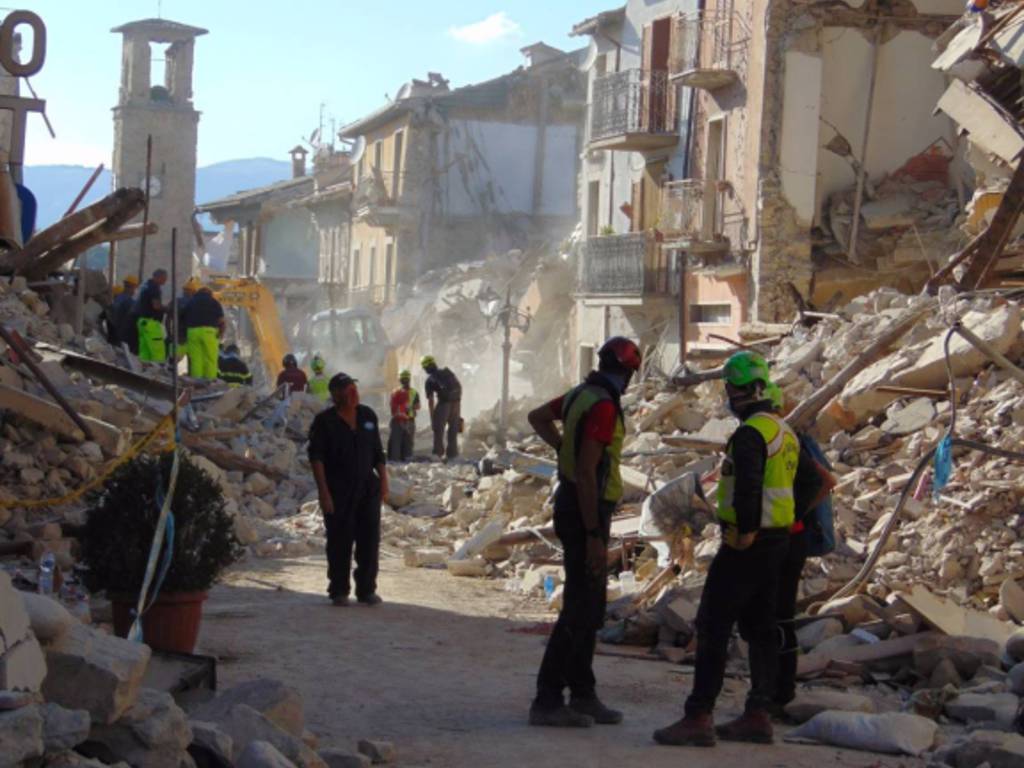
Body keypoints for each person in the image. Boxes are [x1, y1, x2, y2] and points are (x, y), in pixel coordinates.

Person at [654, 351, 799, 748]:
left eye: (732, 391)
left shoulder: (751, 434)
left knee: (714, 625)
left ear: (743, 392)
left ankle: (698, 715)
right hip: (777, 540)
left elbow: (750, 485)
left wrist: (746, 531)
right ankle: (758, 714)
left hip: (747, 542)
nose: (730, 399)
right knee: (761, 628)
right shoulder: (784, 432)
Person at [528, 336, 642, 729]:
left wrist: (562, 449)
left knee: (590, 606)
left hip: (574, 506)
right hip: (585, 511)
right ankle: (547, 699)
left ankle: (583, 693)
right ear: (626, 371)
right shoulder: (605, 405)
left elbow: (536, 416)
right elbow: (589, 474)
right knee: (578, 608)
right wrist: (595, 534)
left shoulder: (580, 395)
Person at [308, 372, 389, 607]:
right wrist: (324, 492)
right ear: (336, 395)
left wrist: (384, 481)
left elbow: (377, 452)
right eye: (349, 390)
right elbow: (316, 458)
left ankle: (366, 589)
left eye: (355, 388)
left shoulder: (367, 415)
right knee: (339, 540)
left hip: (367, 488)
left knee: (369, 540)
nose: (355, 394)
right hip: (338, 490)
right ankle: (339, 590)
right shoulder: (324, 422)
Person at [421, 355, 462, 460]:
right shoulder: (447, 371)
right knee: (453, 430)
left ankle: (438, 454)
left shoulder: (430, 380)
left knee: (438, 430)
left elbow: (431, 400)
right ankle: (453, 454)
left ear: (425, 368)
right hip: (456, 403)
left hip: (444, 404)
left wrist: (432, 418)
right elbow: (459, 386)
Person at [180, 284, 225, 380]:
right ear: (209, 294)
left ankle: (197, 381)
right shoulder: (214, 302)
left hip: (192, 332)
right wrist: (221, 333)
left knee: (196, 359)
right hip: (209, 332)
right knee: (210, 358)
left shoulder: (190, 302)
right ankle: (210, 381)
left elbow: (182, 317)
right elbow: (222, 321)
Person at [133, 269, 168, 363]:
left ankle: (145, 373)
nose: (166, 280)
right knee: (158, 352)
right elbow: (156, 306)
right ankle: (158, 375)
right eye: (164, 278)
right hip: (151, 324)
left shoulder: (145, 285)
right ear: (159, 277)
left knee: (145, 352)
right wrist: (167, 309)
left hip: (142, 322)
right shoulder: (154, 287)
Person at [387, 369, 420, 461]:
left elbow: (392, 406)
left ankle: (395, 463)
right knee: (408, 445)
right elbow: (417, 406)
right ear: (409, 379)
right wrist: (409, 407)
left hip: (397, 420)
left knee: (396, 444)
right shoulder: (414, 392)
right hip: (409, 421)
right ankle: (406, 462)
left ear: (400, 379)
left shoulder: (395, 392)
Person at [111, 275, 140, 353]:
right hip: (125, 336)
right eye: (135, 287)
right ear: (132, 287)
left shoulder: (118, 298)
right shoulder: (130, 302)